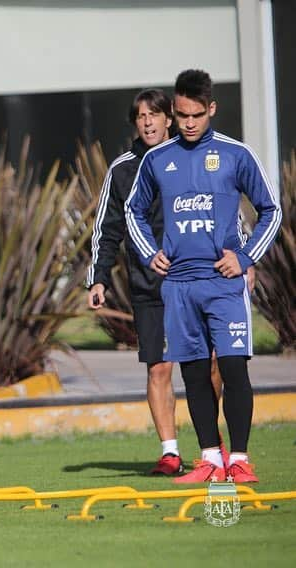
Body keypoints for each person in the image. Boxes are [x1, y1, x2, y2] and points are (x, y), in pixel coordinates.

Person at [126, 69, 281, 483]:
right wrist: (149, 253)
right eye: (181, 115)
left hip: (223, 284)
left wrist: (245, 257)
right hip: (178, 286)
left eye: (196, 115)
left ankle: (241, 459)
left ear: (211, 108)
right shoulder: (159, 158)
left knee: (232, 369)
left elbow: (272, 210)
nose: (188, 123)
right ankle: (210, 459)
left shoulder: (235, 154)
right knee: (193, 373)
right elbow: (132, 210)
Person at [87, 89, 244, 476]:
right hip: (150, 287)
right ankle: (170, 452)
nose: (148, 122)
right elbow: (107, 228)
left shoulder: (191, 157)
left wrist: (241, 257)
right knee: (159, 368)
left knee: (210, 365)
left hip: (201, 278)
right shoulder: (122, 169)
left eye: (154, 115)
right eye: (140, 117)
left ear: (169, 119)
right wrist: (99, 278)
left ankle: (214, 447)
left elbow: (223, 207)